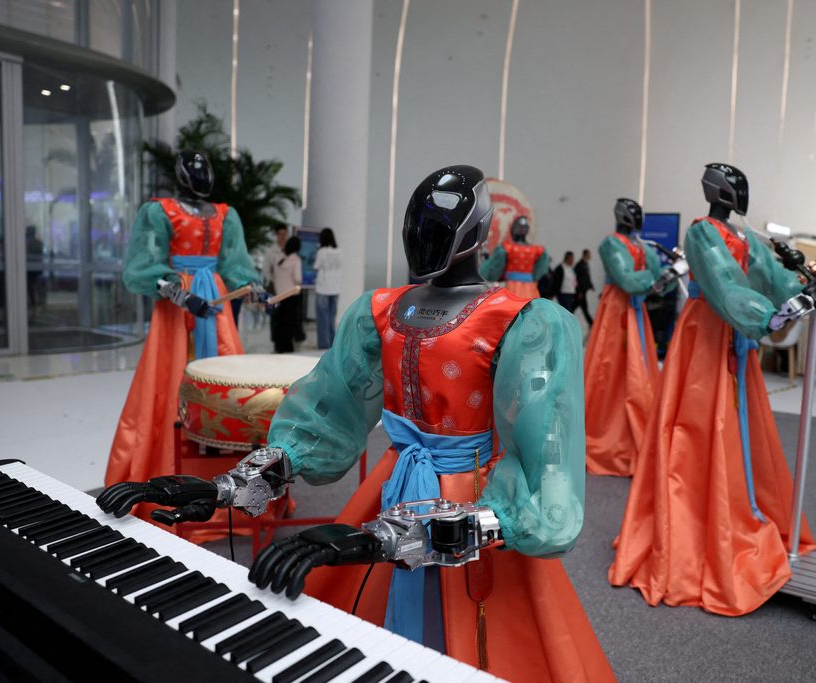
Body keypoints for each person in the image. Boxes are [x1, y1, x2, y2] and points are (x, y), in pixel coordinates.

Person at [96, 165, 614, 681]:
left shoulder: (524, 321)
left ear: (477, 231)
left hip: (475, 504)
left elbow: (548, 467)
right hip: (392, 487)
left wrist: (393, 538)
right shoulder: (381, 311)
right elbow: (328, 411)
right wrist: (229, 486)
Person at [611, 163, 816, 616]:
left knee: (738, 428)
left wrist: (808, 288)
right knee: (698, 426)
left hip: (735, 338)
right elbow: (723, 283)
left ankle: (736, 508)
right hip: (707, 335)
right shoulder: (701, 233)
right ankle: (696, 527)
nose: (741, 193)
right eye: (735, 185)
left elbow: (772, 278)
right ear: (718, 190)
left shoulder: (748, 237)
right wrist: (776, 312)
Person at [105, 150, 266, 525]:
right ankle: (166, 466)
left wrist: (252, 289)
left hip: (215, 302)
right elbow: (142, 265)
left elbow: (236, 262)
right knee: (171, 377)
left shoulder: (226, 214)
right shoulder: (159, 211)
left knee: (225, 378)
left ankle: (225, 469)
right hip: (177, 307)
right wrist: (179, 292)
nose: (201, 177)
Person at [584, 198, 670, 477]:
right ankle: (605, 435)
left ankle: (634, 434)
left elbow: (652, 281)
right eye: (633, 213)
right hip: (618, 310)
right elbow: (628, 279)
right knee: (609, 371)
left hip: (634, 311)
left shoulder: (640, 246)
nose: (637, 217)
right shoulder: (611, 244)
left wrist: (650, 273)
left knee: (636, 370)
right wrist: (651, 275)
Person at [478, 215, 549, 299]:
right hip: (530, 288)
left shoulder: (507, 248)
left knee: (511, 305)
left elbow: (496, 270)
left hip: (511, 286)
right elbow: (539, 271)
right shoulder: (536, 250)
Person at [271, 235, 303, 353]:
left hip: (279, 296)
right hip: (291, 296)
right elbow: (298, 278)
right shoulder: (296, 260)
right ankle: (288, 348)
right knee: (289, 324)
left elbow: (274, 276)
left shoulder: (278, 259)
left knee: (279, 322)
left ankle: (278, 347)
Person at [313, 227, 342, 349]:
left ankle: (323, 346)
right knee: (331, 319)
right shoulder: (339, 251)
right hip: (335, 289)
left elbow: (316, 266)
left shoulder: (321, 252)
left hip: (322, 289)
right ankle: (332, 345)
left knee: (322, 319)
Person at [575, 248, 595, 326]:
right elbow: (578, 279)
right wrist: (579, 291)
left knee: (579, 307)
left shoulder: (585, 265)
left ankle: (591, 323)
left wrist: (591, 285)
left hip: (583, 291)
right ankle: (592, 323)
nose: (590, 256)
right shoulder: (579, 265)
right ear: (585, 254)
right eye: (589, 254)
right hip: (580, 291)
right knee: (582, 307)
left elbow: (587, 277)